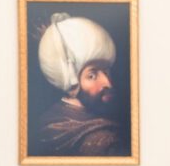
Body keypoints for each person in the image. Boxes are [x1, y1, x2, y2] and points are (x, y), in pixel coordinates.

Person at [30, 13, 128, 157]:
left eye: (106, 71)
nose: (107, 83)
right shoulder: (104, 142)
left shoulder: (50, 116)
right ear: (71, 83)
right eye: (92, 75)